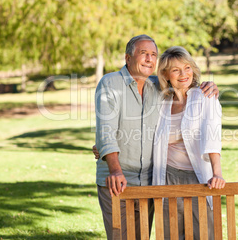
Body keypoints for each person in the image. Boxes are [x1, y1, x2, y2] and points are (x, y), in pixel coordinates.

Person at [94, 35, 219, 240]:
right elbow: (106, 131)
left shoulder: (158, 86)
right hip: (119, 180)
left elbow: (183, 81)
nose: (149, 59)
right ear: (128, 58)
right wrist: (113, 167)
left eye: (153, 55)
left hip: (150, 182)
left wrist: (211, 87)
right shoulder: (111, 83)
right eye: (144, 54)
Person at [153, 46, 225, 240]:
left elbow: (212, 135)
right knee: (170, 234)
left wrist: (217, 174)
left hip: (197, 178)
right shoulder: (162, 102)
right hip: (167, 177)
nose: (183, 74)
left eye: (187, 67)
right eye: (176, 70)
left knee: (203, 234)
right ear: (166, 75)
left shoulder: (205, 96)